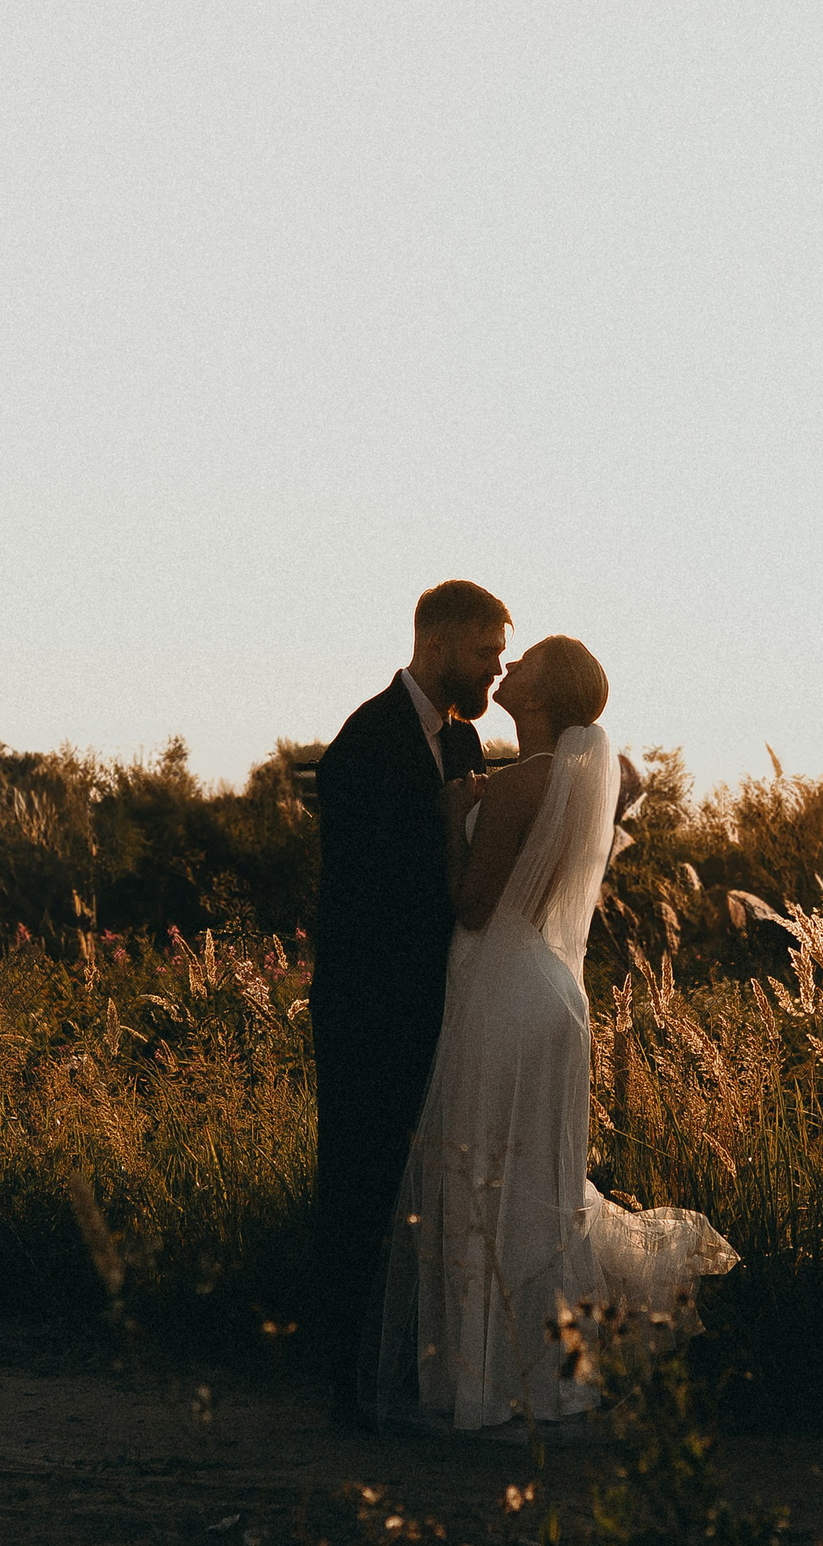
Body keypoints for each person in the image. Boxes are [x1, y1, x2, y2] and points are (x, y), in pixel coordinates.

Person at [367, 633, 737, 1434]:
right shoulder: (574, 783)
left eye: (524, 664)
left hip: (501, 997)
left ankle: (491, 1383)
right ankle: (543, 1376)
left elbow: (470, 904)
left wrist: (451, 816)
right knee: (537, 1195)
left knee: (484, 1187)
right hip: (550, 995)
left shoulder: (512, 786)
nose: (509, 670)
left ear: (538, 698)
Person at [310, 580, 510, 1423]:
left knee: (426, 1187)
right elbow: (375, 892)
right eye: (485, 654)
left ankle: (407, 1369)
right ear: (436, 645)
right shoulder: (364, 744)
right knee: (359, 1181)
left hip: (442, 1004)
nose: (495, 673)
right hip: (370, 1006)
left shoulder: (463, 745)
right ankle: (339, 1384)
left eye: (501, 658)